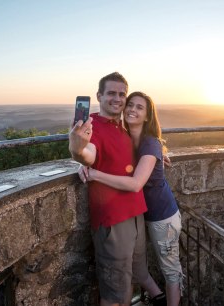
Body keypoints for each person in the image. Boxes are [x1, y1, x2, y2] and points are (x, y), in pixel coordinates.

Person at [68, 73, 166, 306]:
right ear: (99, 96)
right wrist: (77, 149)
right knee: (115, 293)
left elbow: (140, 148)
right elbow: (88, 154)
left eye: (122, 94)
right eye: (111, 93)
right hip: (113, 221)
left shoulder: (121, 126)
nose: (118, 99)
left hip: (135, 214)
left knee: (133, 274)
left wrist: (160, 154)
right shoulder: (93, 126)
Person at [79, 91, 183, 306]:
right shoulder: (127, 137)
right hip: (142, 213)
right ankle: (158, 297)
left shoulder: (150, 143)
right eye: (131, 105)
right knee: (138, 267)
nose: (132, 110)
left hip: (163, 216)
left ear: (147, 116)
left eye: (140, 108)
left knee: (170, 269)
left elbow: (136, 184)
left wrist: (95, 174)